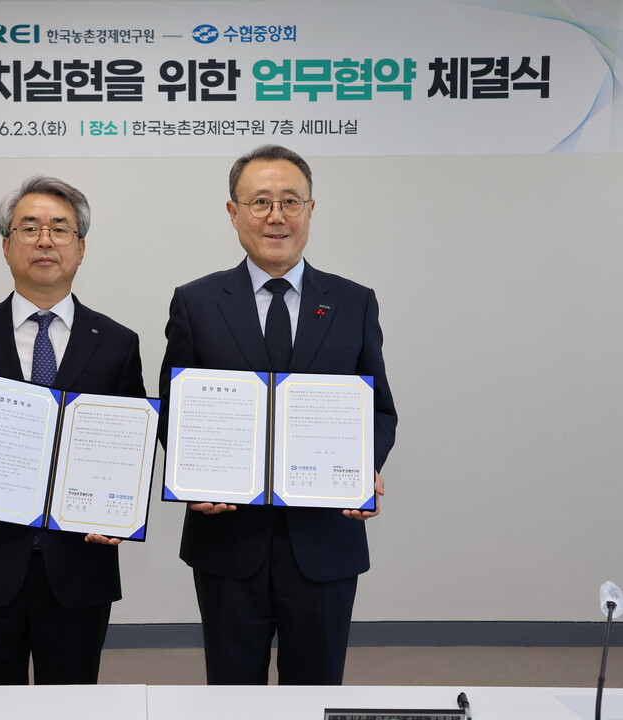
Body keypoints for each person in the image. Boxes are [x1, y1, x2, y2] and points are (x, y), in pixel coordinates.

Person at [158, 145, 397, 685]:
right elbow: (175, 407)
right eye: (260, 201)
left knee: (315, 691)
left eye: (290, 201)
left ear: (311, 210)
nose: (276, 216)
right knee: (232, 694)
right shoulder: (196, 302)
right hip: (227, 539)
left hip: (324, 538)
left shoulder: (354, 302)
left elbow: (379, 408)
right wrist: (191, 474)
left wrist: (364, 466)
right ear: (233, 212)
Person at [0, 175, 146, 685]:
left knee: (73, 705)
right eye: (29, 228)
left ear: (81, 248)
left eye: (60, 229)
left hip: (79, 566)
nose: (45, 240)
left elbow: (130, 444)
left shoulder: (116, 343)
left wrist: (119, 509)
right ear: (6, 246)